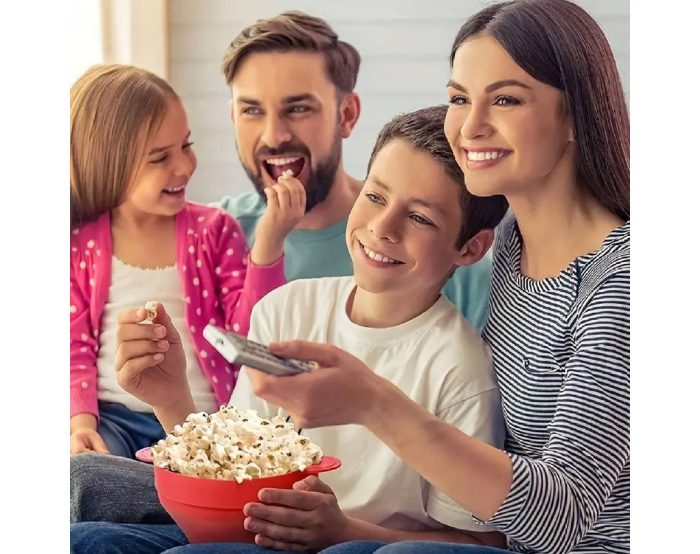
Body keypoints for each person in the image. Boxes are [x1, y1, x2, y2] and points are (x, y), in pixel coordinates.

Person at [206, 1, 629, 553]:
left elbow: (562, 518)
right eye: (459, 98)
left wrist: (374, 403)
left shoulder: (622, 281)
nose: (471, 126)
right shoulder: (511, 248)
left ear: (575, 114)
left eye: (505, 99)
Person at [70, 105, 511, 553]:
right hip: (251, 528)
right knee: (86, 536)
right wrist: (171, 397)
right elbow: (232, 474)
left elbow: (478, 541)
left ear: (471, 247)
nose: (381, 228)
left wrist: (346, 532)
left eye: (419, 218)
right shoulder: (287, 307)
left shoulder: (460, 368)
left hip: (353, 545)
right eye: (375, 197)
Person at [70, 64, 304, 458]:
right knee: (85, 476)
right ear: (107, 163)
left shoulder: (213, 229)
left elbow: (250, 338)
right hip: (114, 423)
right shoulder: (80, 243)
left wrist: (269, 241)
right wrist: (81, 426)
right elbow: (72, 345)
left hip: (203, 423)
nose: (184, 166)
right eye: (160, 157)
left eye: (187, 145)